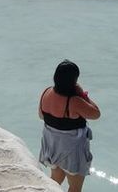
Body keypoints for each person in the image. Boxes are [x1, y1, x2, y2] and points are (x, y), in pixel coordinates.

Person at [39, 60, 100, 192]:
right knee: (75, 188)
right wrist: (83, 94)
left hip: (53, 146)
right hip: (72, 150)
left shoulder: (46, 92)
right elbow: (96, 114)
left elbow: (41, 115)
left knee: (55, 180)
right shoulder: (75, 101)